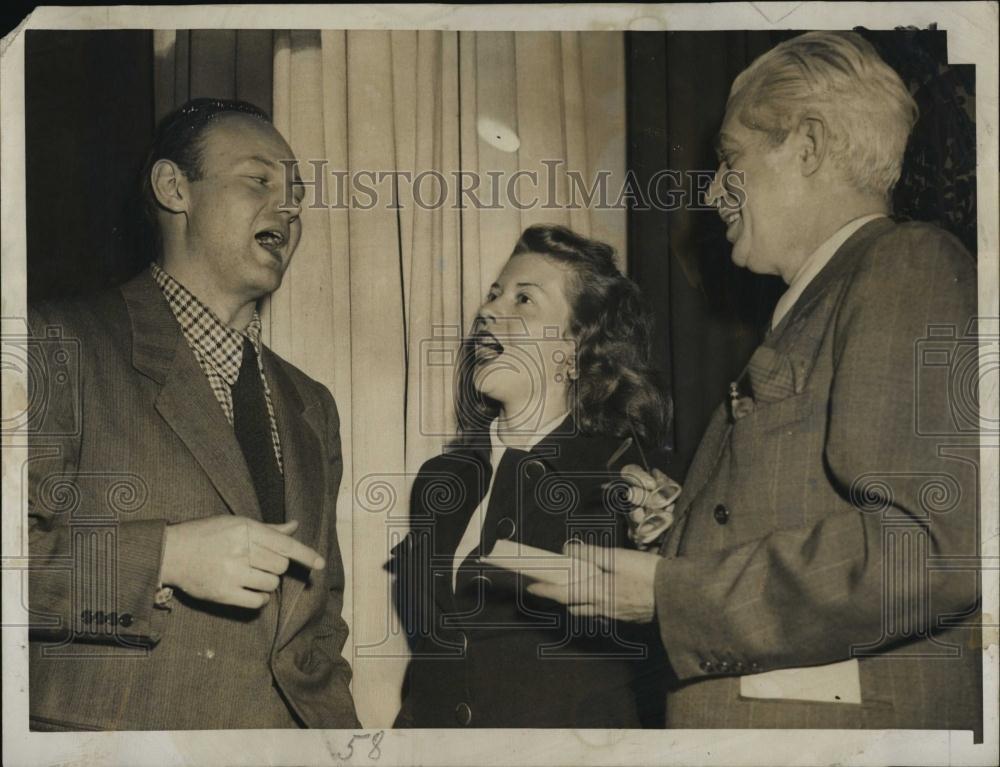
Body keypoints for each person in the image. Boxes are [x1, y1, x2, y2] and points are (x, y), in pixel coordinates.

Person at [525, 31, 982, 733]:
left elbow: (927, 547)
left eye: (730, 159)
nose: (711, 194)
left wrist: (672, 594)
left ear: (807, 146)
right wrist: (684, 528)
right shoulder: (824, 298)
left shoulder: (906, 265)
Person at [27, 98, 359, 730]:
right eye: (259, 180)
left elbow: (318, 630)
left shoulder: (312, 403)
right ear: (174, 188)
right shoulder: (54, 343)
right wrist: (165, 558)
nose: (287, 208)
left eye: (296, 194)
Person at [391, 224, 672, 728]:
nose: (487, 311)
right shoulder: (440, 479)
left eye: (524, 299)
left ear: (573, 345)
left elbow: (652, 648)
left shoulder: (624, 479)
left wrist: (656, 549)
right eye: (494, 294)